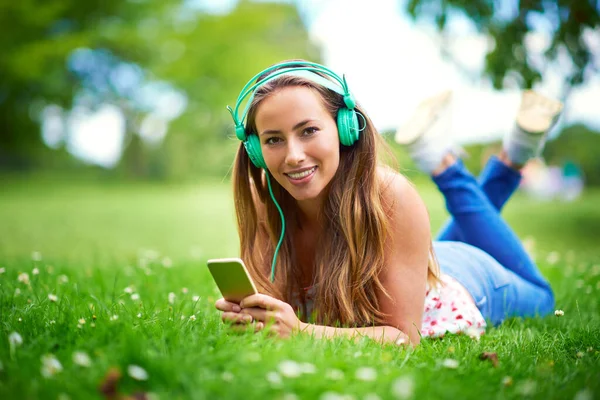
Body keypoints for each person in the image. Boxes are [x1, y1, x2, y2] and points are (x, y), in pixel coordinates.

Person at [216, 60, 563, 346]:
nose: (293, 156)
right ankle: (515, 151)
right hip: (411, 263)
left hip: (468, 278)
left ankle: (450, 161)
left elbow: (404, 338)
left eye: (308, 131)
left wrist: (302, 331)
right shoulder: (268, 205)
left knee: (543, 298)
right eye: (273, 139)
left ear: (345, 128)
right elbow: (275, 312)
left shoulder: (390, 195)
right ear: (256, 150)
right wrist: (255, 316)